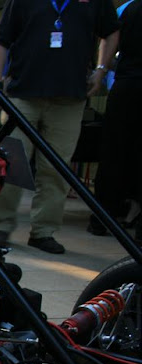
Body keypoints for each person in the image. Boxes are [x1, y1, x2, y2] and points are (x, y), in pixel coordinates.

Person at [0, 0, 119, 254]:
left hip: (69, 97)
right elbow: (1, 42)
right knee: (11, 163)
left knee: (56, 168)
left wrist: (101, 70)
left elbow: (111, 31)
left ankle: (43, 231)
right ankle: (2, 226)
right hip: (22, 95)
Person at [89, 0, 141, 239]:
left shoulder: (126, 9)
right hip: (128, 84)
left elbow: (109, 41)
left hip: (125, 86)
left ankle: (102, 218)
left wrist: (103, 69)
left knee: (113, 153)